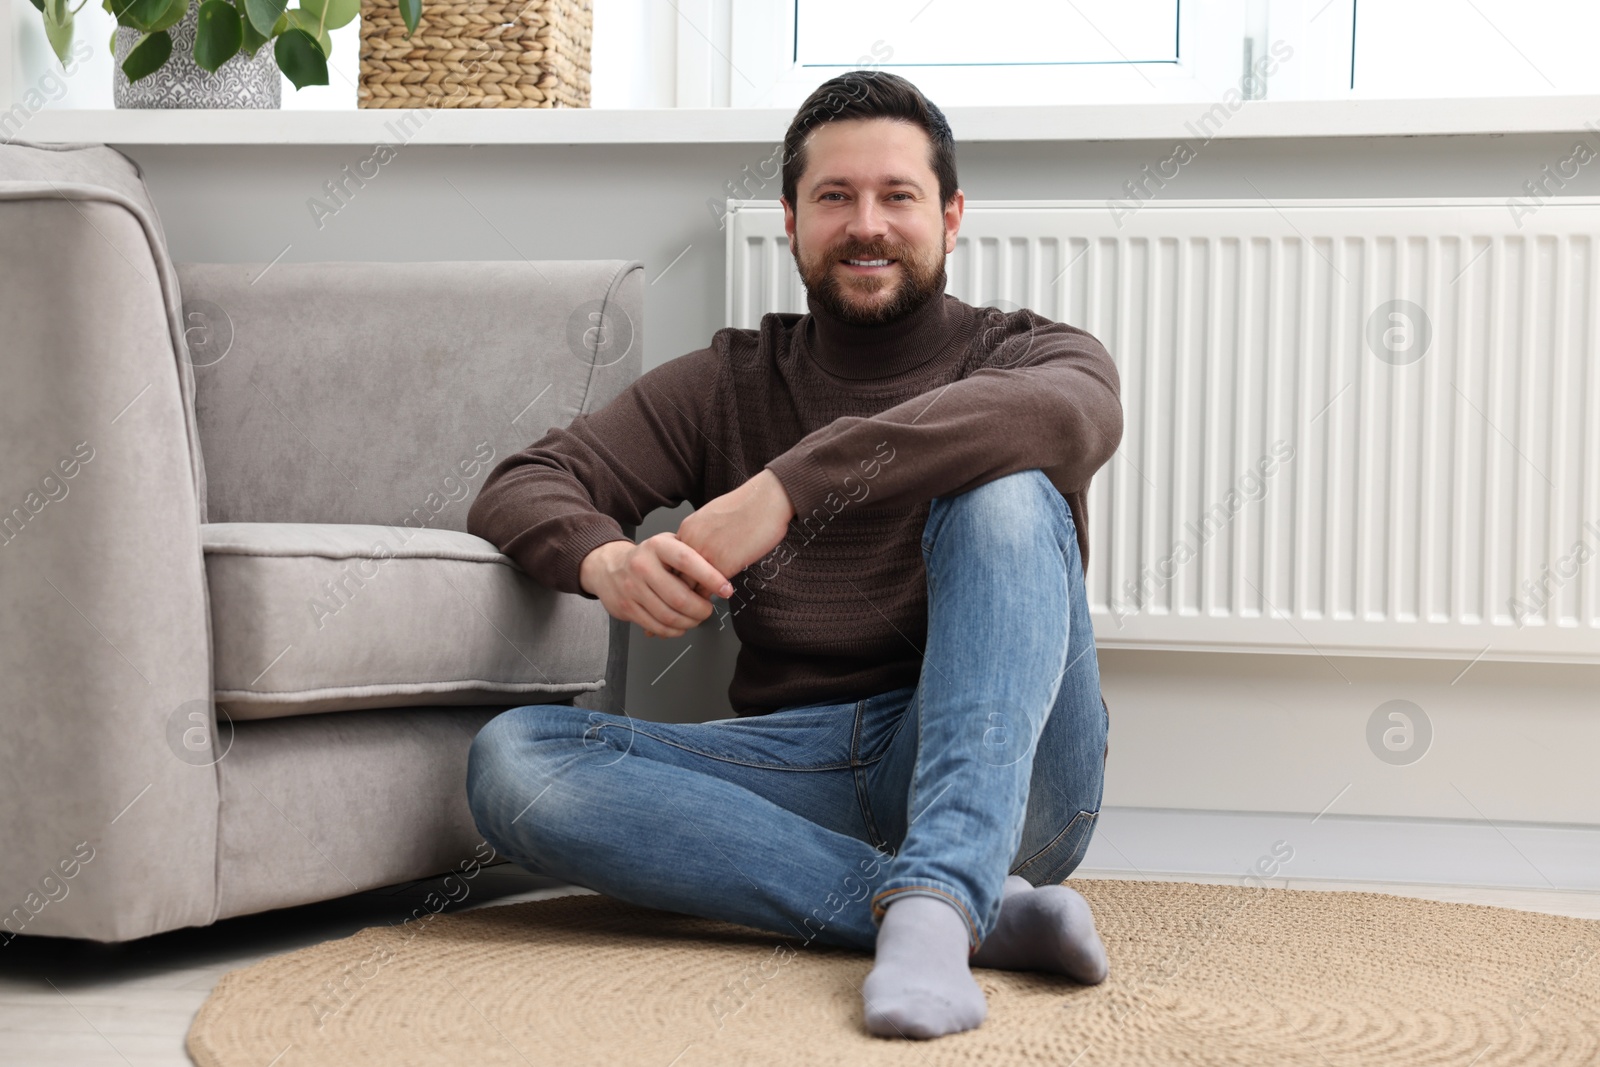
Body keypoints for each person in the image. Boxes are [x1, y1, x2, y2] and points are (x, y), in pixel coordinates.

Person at [464, 69, 1123, 1041]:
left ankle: (944, 887)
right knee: (513, 760)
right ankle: (953, 912)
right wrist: (606, 560)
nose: (867, 223)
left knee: (1006, 489)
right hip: (802, 769)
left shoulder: (1031, 354)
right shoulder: (724, 382)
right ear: (789, 218)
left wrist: (788, 487)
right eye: (834, 197)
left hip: (1016, 766)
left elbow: (1070, 416)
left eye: (897, 195)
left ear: (950, 214)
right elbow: (524, 480)